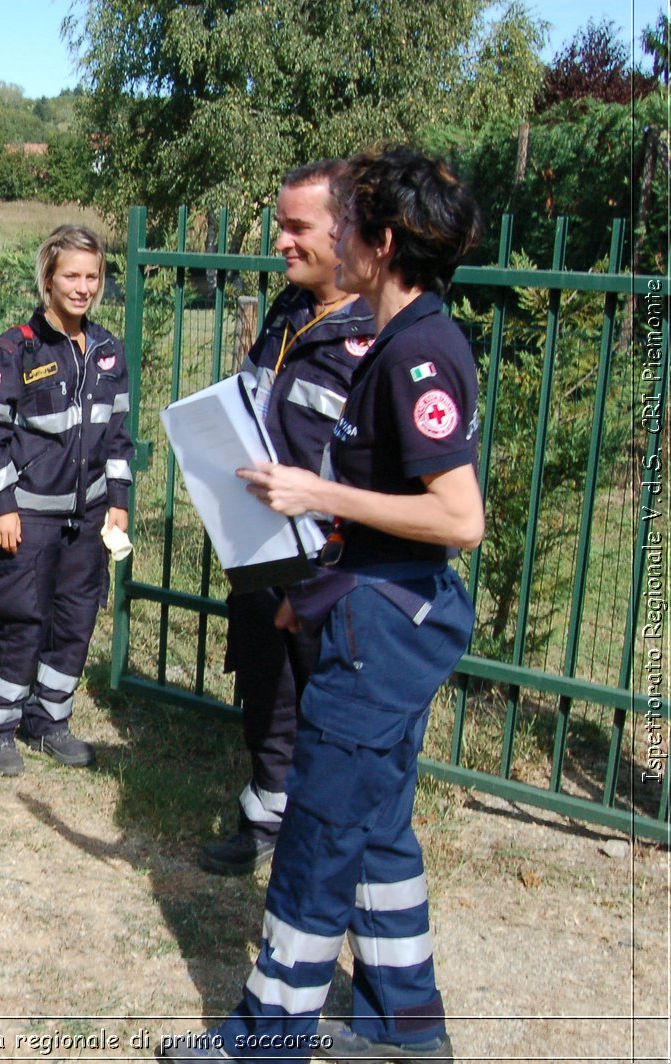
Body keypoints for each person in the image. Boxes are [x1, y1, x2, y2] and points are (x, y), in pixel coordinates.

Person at [160, 148, 483, 1061]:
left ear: (380, 244)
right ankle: (405, 1027)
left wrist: (319, 495)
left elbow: (460, 517)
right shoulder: (395, 336)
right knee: (377, 832)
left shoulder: (417, 351)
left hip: (384, 633)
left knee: (319, 835)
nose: (330, 237)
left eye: (347, 226)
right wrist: (318, 592)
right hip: (365, 607)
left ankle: (266, 1037)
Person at [200, 161, 376, 876]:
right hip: (262, 546)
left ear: (348, 232)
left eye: (297, 226)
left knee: (329, 708)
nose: (282, 241)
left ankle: (326, 841)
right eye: (280, 224)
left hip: (335, 566)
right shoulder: (287, 312)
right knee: (267, 692)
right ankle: (264, 816)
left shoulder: (378, 338)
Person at [0, 225, 133, 777]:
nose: (82, 288)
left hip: (88, 519)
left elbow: (118, 436)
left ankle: (49, 719)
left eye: (92, 276)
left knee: (75, 620)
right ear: (48, 279)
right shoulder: (15, 349)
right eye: (71, 276)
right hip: (30, 515)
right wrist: (2, 506)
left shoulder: (109, 351)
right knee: (24, 621)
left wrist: (118, 500)